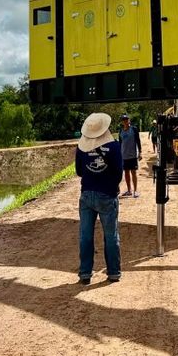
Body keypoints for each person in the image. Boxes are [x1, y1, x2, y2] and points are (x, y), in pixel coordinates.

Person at [75, 112, 122, 285]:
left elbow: (79, 171)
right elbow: (118, 173)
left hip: (86, 194)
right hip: (107, 195)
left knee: (85, 235)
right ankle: (113, 273)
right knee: (111, 236)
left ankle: (85, 274)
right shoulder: (114, 146)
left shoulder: (81, 147)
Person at [118, 113, 142, 198]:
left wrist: (140, 152)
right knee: (126, 173)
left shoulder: (134, 129)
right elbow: (120, 143)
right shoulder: (120, 131)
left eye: (126, 119)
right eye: (123, 120)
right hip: (124, 156)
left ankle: (135, 191)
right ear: (122, 122)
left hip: (132, 155)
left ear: (129, 120)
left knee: (133, 172)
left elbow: (138, 141)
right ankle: (129, 190)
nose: (125, 121)